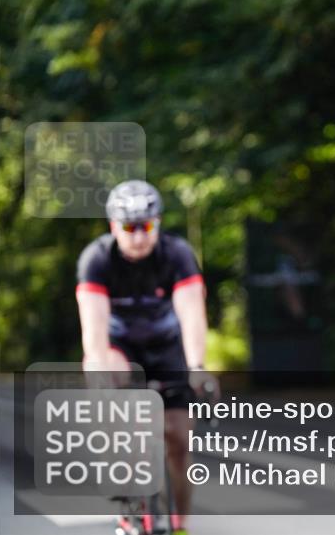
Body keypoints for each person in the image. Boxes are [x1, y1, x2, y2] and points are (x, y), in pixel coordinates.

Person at [76, 180, 217, 535]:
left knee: (179, 443)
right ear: (113, 227)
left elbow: (191, 313)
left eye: (146, 226)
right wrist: (97, 371)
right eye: (128, 227)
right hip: (120, 348)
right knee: (106, 370)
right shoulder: (96, 259)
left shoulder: (177, 254)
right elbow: (93, 329)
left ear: (158, 224)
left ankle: (181, 524)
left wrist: (197, 367)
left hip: (167, 348)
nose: (138, 236)